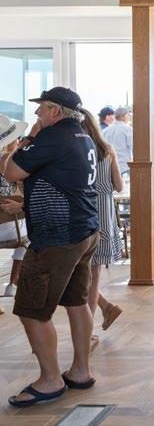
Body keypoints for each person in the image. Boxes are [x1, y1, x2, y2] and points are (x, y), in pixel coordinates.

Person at [1, 86, 99, 407]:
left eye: (41, 107)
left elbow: (10, 171)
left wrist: (29, 138)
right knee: (77, 302)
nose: (36, 113)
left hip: (56, 237)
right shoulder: (82, 136)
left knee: (31, 310)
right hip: (84, 229)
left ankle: (50, 380)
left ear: (55, 111)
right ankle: (80, 371)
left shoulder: (52, 137)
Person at [79, 109, 124, 335]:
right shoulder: (108, 149)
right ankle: (105, 308)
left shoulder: (77, 151)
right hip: (104, 215)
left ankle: (87, 332)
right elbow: (119, 186)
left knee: (81, 273)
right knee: (92, 273)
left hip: (83, 212)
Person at [0, 116, 29, 299]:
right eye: (16, 138)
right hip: (13, 230)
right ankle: (13, 283)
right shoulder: (14, 163)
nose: (18, 140)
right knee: (31, 235)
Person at [102, 107, 133, 175]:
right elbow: (133, 148)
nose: (129, 117)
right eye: (128, 115)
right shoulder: (128, 130)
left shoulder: (105, 131)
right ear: (124, 116)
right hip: (124, 167)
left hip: (109, 167)